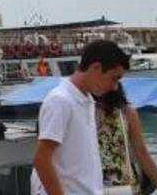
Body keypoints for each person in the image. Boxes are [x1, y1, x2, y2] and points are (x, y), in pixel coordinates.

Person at [31, 40, 130, 195]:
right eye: (114, 78)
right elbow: (42, 159)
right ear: (96, 67)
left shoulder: (87, 100)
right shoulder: (61, 101)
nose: (115, 87)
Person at [95, 84, 157, 194]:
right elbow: (141, 152)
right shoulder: (126, 112)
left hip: (93, 184)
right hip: (125, 183)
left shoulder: (84, 110)